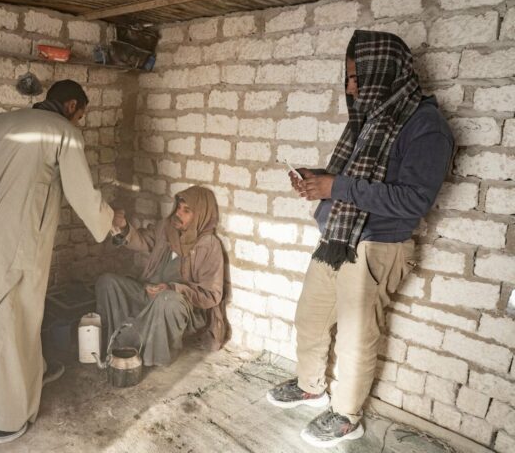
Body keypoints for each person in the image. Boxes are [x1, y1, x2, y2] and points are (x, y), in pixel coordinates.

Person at [266, 30, 454, 448]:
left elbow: (413, 201)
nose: (350, 86)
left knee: (355, 336)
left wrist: (335, 188)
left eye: (357, 76)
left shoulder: (427, 128)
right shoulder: (370, 121)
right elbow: (359, 180)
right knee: (310, 318)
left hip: (378, 245)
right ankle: (311, 386)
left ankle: (348, 416)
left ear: (383, 71)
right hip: (339, 237)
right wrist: (319, 181)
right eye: (349, 76)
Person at [0, 80, 114, 446]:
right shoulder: (63, 132)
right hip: (16, 239)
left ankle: (27, 375)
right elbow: (82, 194)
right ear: (71, 105)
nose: (79, 122)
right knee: (6, 318)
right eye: (81, 115)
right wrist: (112, 222)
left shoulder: (2, 122)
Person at [95, 186, 230, 367]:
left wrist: (173, 288)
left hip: (177, 303)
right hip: (148, 291)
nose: (178, 214)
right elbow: (144, 240)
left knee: (166, 299)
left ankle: (150, 356)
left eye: (186, 211)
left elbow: (211, 294)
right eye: (178, 208)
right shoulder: (168, 228)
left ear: (200, 215)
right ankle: (118, 343)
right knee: (107, 282)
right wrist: (124, 227)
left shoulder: (209, 245)